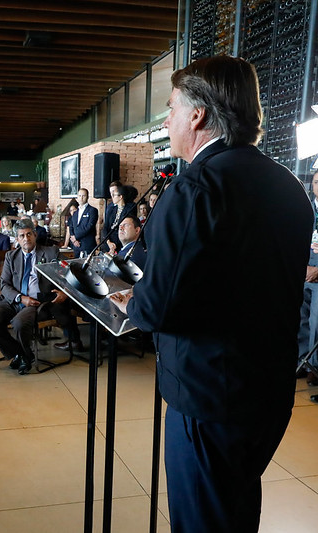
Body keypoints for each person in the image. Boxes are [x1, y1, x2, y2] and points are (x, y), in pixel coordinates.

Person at [109, 55, 313, 533]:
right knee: (237, 511)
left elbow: (158, 305)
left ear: (198, 115)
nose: (167, 120)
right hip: (268, 391)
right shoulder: (288, 186)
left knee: (202, 519)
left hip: (208, 398)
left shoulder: (195, 187)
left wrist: (132, 302)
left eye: (172, 108)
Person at [0, 219, 82, 375]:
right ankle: (21, 354)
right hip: (13, 300)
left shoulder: (50, 253)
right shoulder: (11, 256)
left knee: (20, 323)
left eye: (29, 234)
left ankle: (21, 356)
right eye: (22, 236)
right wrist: (20, 298)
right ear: (17, 239)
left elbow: (69, 275)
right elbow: (4, 285)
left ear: (35, 235)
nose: (26, 239)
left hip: (37, 303)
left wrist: (65, 291)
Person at [299, 170, 318, 386]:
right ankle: (301, 362)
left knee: (316, 321)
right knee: (299, 318)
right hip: (301, 271)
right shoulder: (304, 209)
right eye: (316, 182)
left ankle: (314, 366)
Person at [67, 188, 98, 256]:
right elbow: (71, 226)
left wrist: (76, 237)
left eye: (83, 196)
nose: (81, 198)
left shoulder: (93, 210)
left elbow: (89, 227)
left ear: (87, 197)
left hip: (88, 246)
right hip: (76, 247)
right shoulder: (75, 213)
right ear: (77, 197)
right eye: (80, 196)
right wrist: (73, 239)